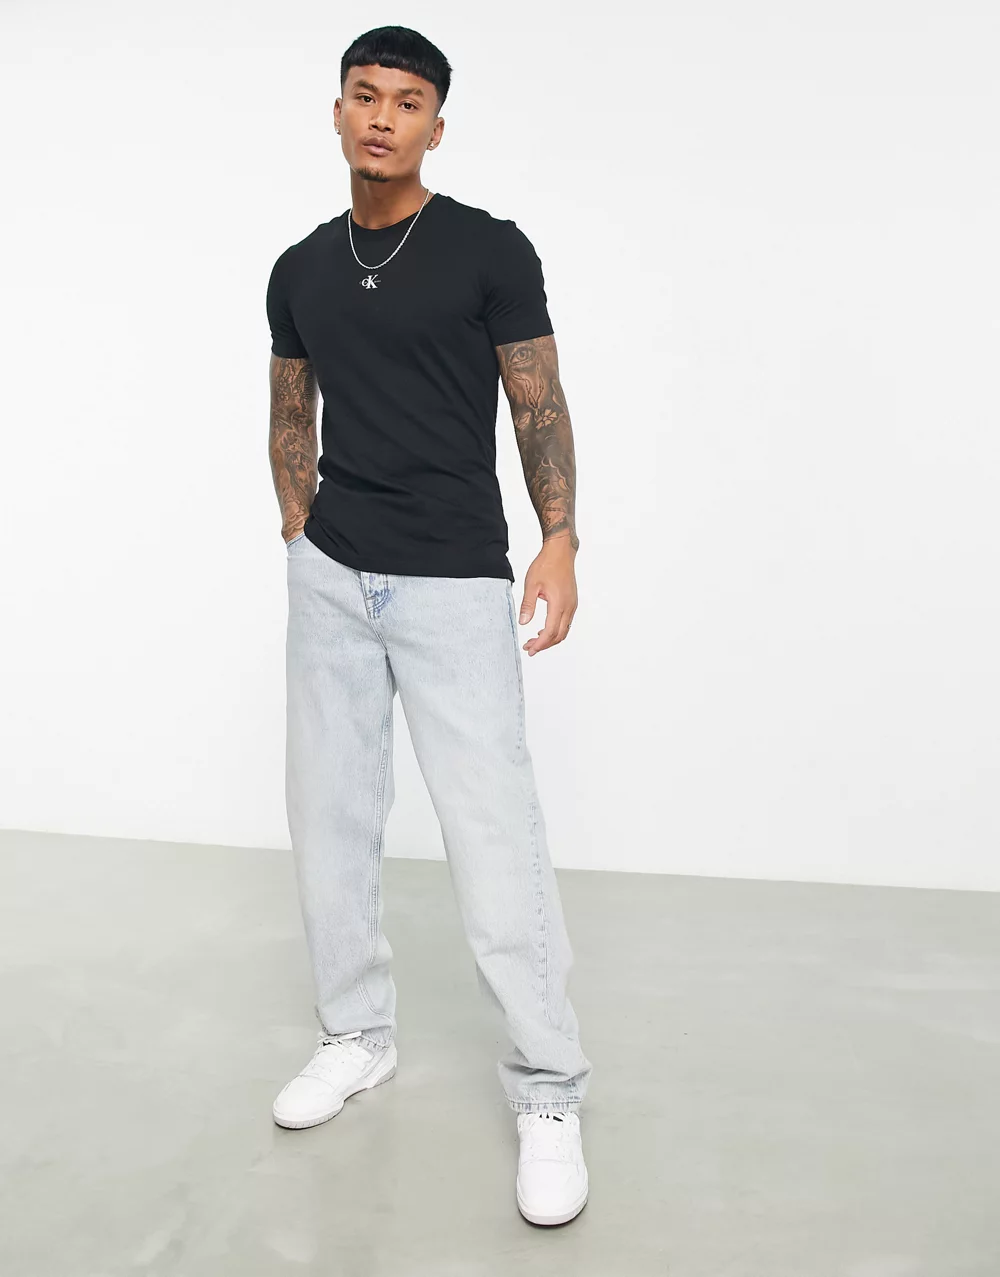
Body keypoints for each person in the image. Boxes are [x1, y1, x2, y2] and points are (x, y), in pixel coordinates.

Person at [266, 25, 592, 1227]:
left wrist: (558, 535)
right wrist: (300, 526)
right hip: (333, 577)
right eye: (365, 95)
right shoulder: (300, 266)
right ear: (337, 111)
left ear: (436, 127)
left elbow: (537, 399)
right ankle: (355, 1033)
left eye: (408, 102)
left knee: (493, 834)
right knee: (330, 819)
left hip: (453, 578)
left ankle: (548, 1089)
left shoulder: (487, 249)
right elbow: (289, 405)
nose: (383, 117)